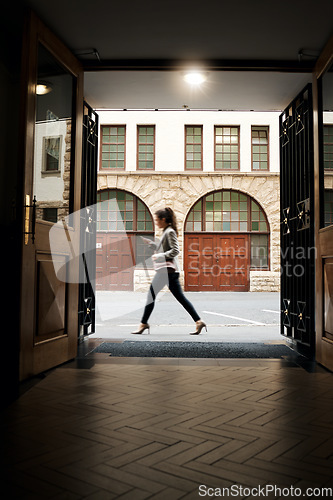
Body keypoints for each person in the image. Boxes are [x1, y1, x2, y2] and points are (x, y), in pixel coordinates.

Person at [131, 207, 207, 335]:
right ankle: (198, 321)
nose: (156, 222)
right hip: (168, 272)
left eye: (157, 219)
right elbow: (165, 249)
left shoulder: (169, 232)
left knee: (151, 296)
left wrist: (159, 256)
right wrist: (153, 245)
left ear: (164, 219)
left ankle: (143, 324)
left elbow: (175, 250)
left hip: (167, 272)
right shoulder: (166, 231)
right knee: (180, 298)